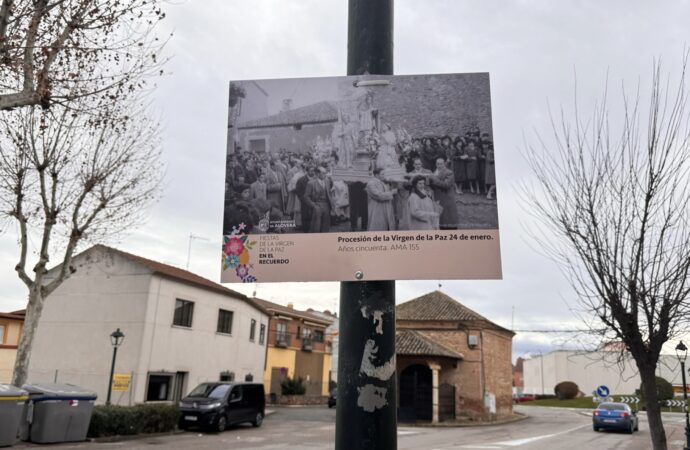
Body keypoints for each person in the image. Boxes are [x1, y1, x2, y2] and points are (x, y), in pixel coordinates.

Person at [429, 157, 459, 229]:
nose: (439, 165)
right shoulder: (434, 173)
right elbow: (433, 186)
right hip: (437, 198)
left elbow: (446, 185)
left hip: (447, 199)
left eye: (441, 163)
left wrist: (433, 178)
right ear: (436, 164)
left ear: (444, 164)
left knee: (449, 219)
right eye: (438, 164)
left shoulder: (449, 172)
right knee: (440, 219)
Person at [303, 166, 334, 233]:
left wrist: (332, 204)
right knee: (316, 226)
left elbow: (329, 193)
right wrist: (314, 206)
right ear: (317, 174)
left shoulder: (327, 181)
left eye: (325, 173)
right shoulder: (311, 183)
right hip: (317, 205)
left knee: (326, 226)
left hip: (326, 205)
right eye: (323, 173)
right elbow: (306, 197)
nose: (325, 175)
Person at [296, 165, 316, 232]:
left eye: (313, 171)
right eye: (311, 171)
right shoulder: (301, 180)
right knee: (305, 217)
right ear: (307, 171)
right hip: (305, 202)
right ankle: (306, 231)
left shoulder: (315, 179)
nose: (312, 172)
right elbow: (299, 192)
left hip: (314, 201)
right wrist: (305, 200)